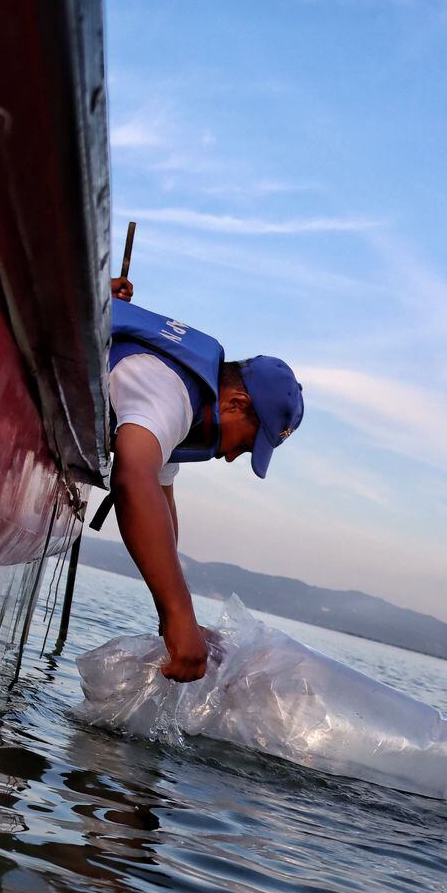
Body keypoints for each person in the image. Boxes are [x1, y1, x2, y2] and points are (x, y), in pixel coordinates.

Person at [104, 275, 303, 683]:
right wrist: (179, 619)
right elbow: (133, 479)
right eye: (245, 444)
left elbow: (160, 502)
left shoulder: (187, 410)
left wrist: (179, 618)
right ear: (235, 402)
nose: (230, 458)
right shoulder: (168, 392)